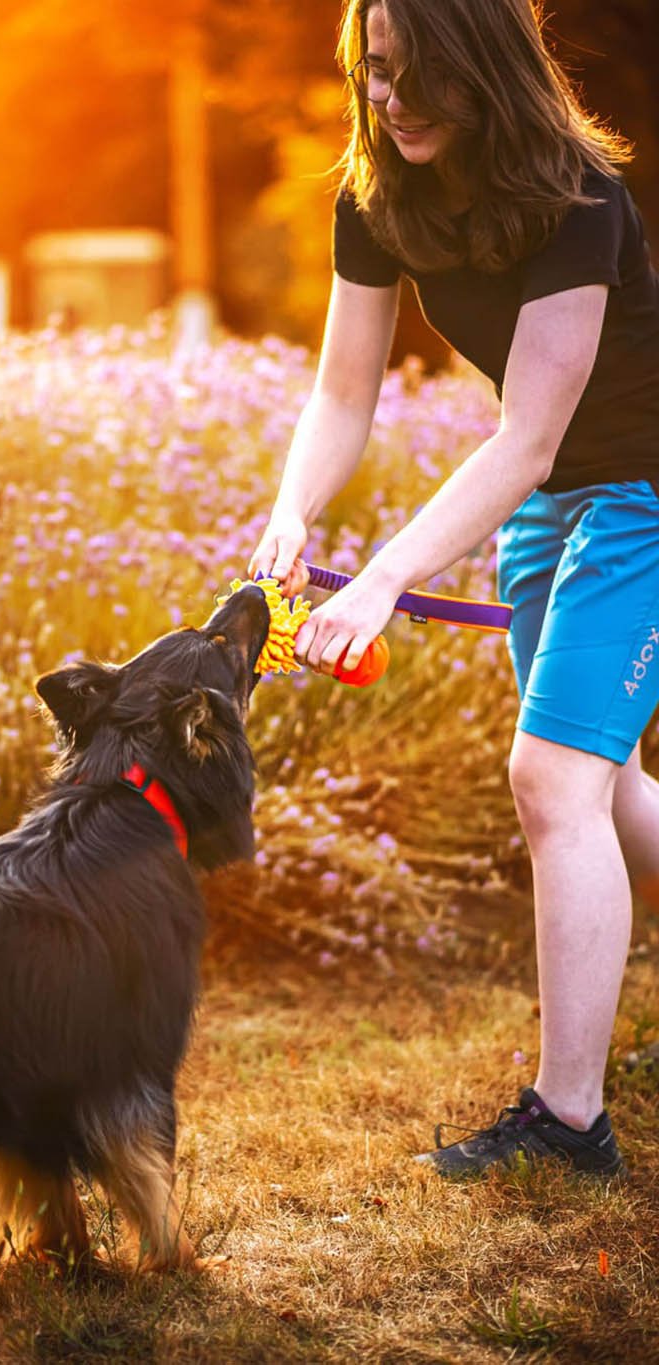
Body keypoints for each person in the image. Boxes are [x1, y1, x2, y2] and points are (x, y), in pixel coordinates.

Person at [249, 0, 659, 1178]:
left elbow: (529, 434)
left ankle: (569, 1124)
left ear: (484, 64)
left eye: (418, 73)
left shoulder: (579, 198)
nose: (390, 99)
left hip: (640, 496)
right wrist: (292, 514)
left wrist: (380, 579)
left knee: (550, 781)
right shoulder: (376, 196)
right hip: (548, 513)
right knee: (609, 780)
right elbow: (340, 396)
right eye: (375, 72)